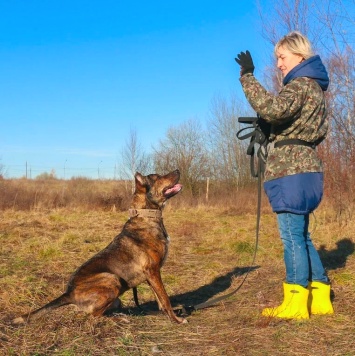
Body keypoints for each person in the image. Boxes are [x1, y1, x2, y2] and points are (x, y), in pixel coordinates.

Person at [235, 31, 334, 319]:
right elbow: (291, 122)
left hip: (290, 171)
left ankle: (294, 302)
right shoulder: (314, 88)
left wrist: (248, 77)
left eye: (282, 57)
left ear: (300, 56)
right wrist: (272, 130)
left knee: (291, 237)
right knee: (302, 236)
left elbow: (274, 108)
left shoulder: (300, 84)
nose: (278, 64)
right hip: (308, 168)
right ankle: (320, 297)